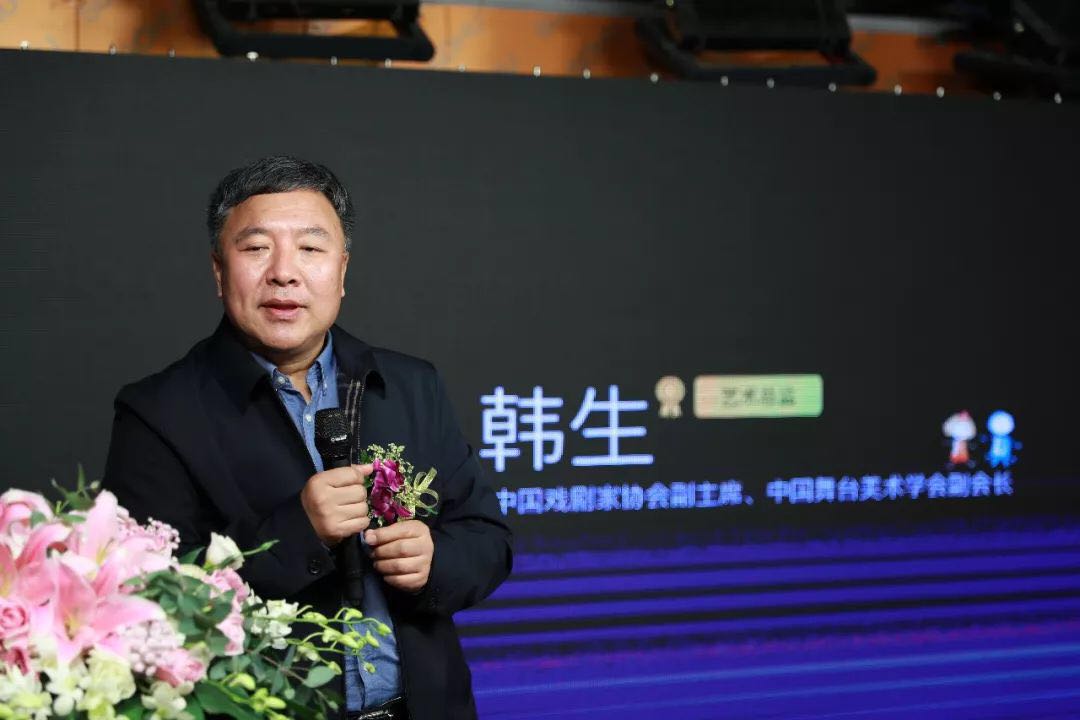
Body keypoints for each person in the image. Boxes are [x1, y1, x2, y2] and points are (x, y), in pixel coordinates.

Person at [102, 155, 513, 720]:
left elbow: (487, 538)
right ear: (219, 271)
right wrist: (300, 532)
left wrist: (434, 561)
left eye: (311, 248)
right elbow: (148, 604)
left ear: (342, 271)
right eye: (256, 247)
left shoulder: (409, 385)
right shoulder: (158, 414)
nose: (284, 273)